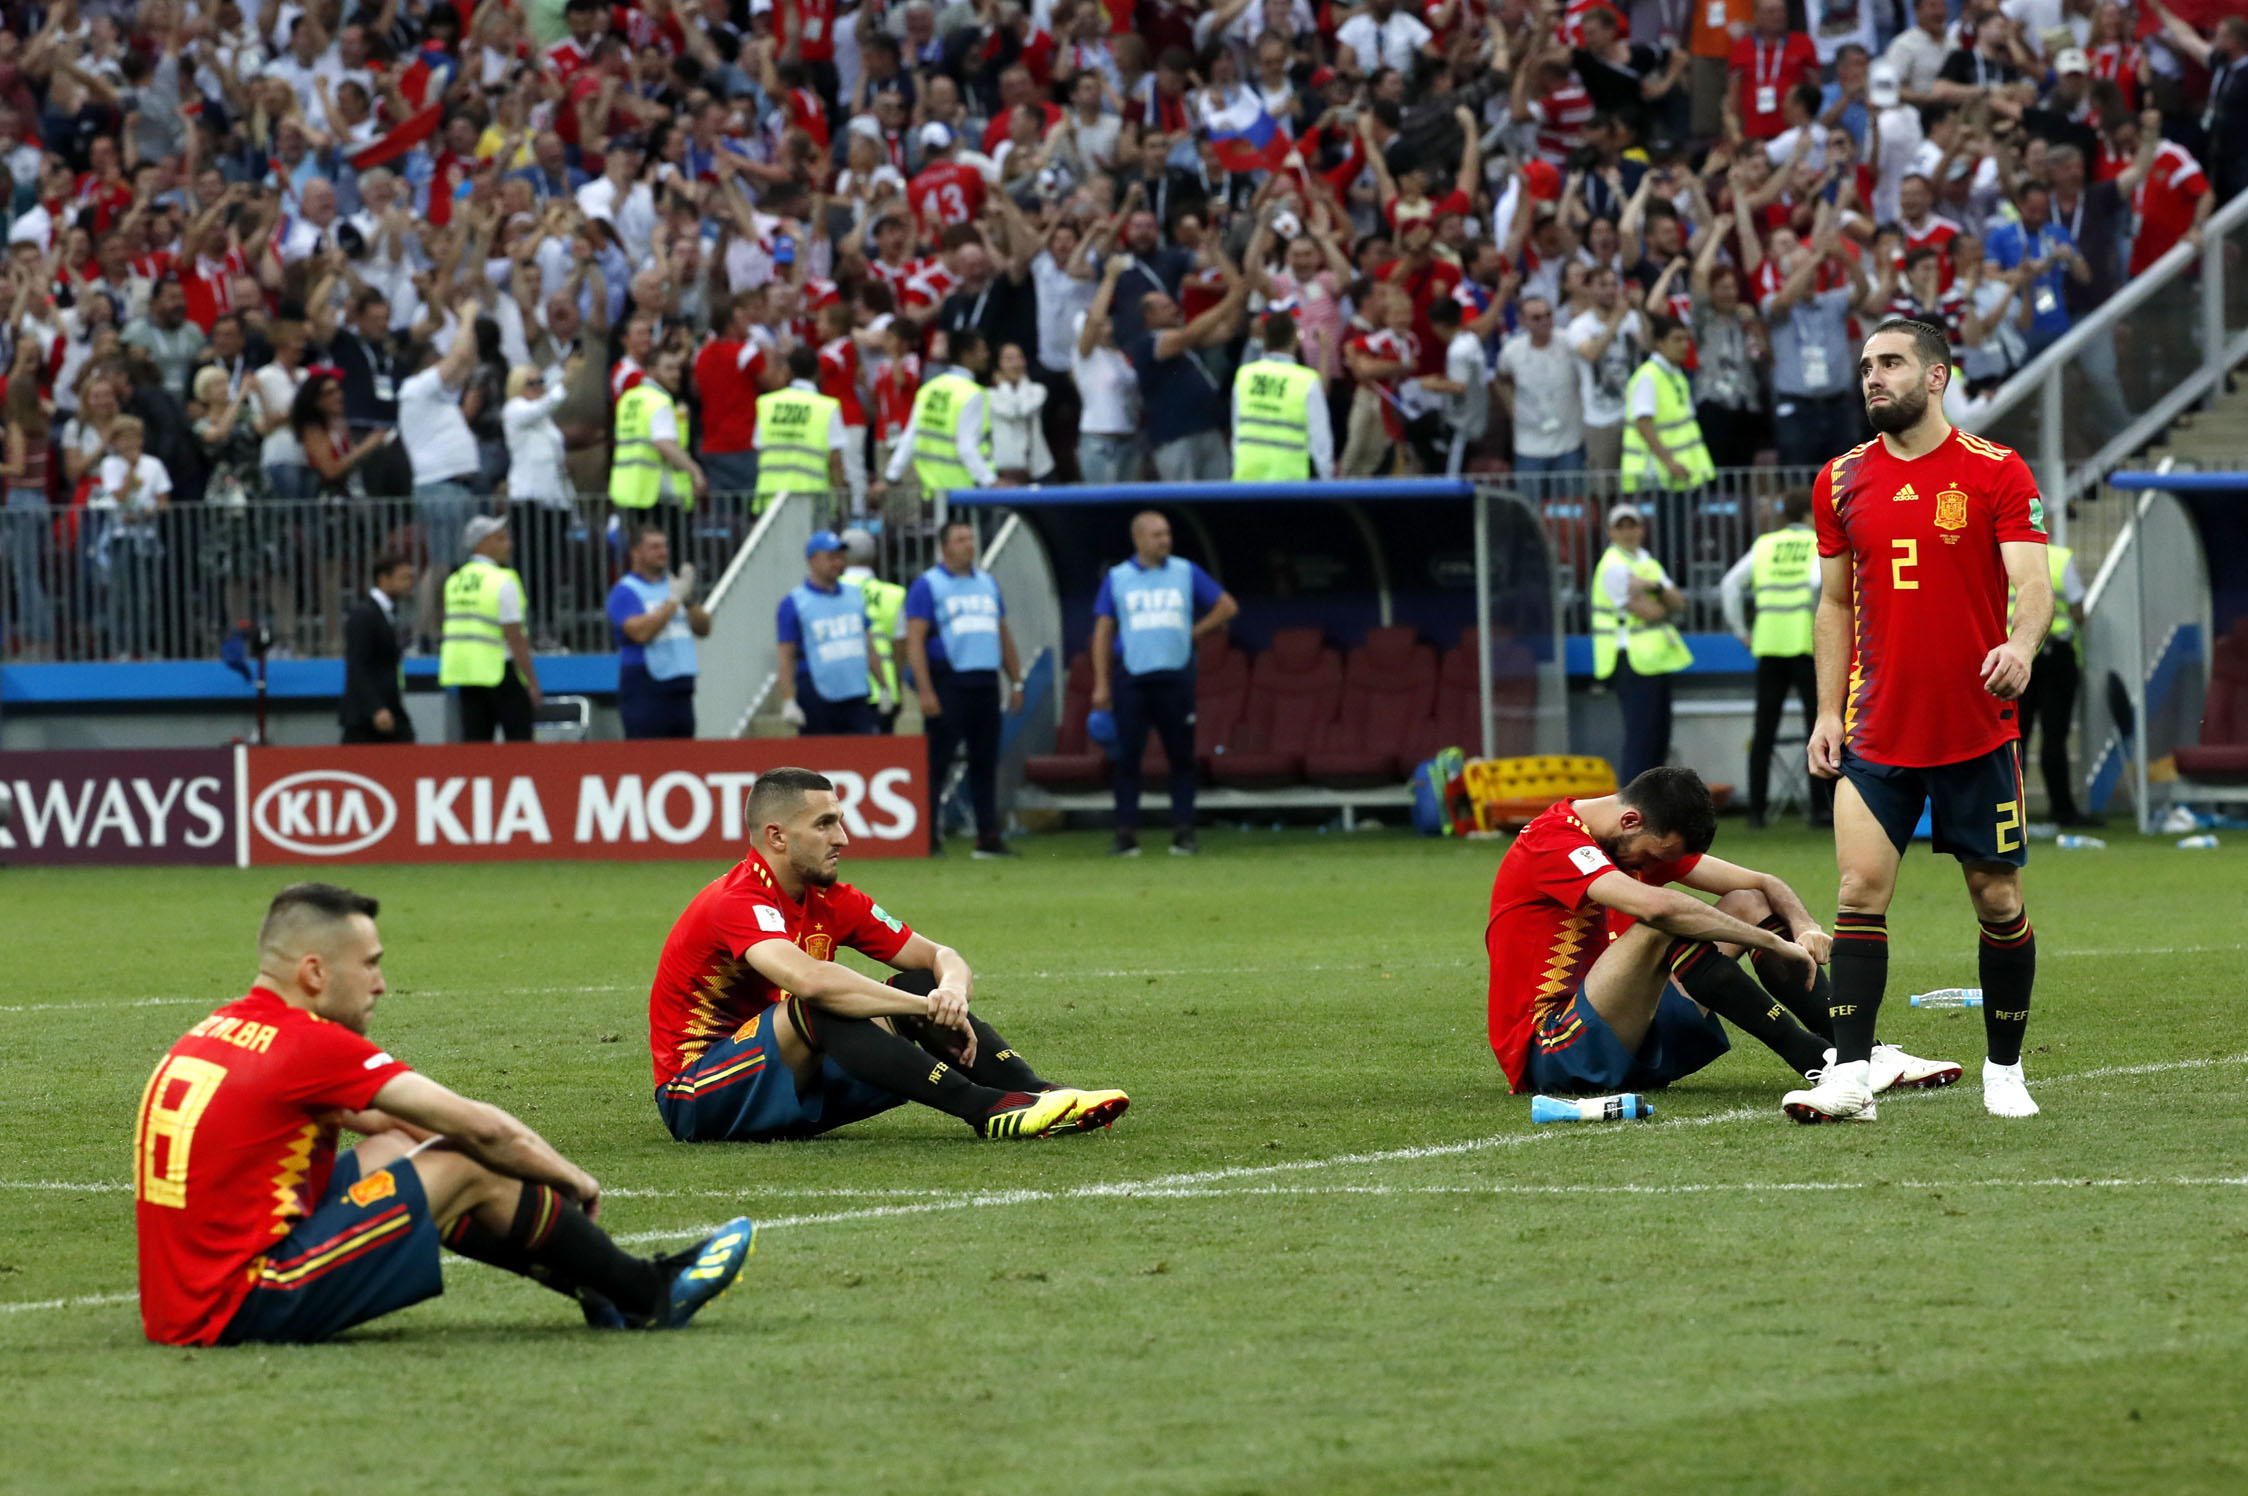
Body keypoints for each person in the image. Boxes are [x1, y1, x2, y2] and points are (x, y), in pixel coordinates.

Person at [134, 881, 753, 1346]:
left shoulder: (219, 1028)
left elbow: (396, 1126)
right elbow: (477, 1126)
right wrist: (572, 1181)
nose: (380, 983)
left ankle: (601, 1284)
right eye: (370, 963)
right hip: (239, 1306)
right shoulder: (308, 1043)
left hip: (182, 1301)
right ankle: (648, 1292)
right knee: (462, 1161)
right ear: (315, 971)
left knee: (402, 1149)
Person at [1785, 318, 2054, 1124]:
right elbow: (1834, 604)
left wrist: (2021, 643)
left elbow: (2032, 583)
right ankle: (1852, 1076)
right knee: (1859, 890)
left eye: (1892, 363)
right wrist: (1828, 711)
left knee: (1996, 897)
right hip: (1876, 728)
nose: (1873, 376)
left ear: (1936, 377)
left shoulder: (1996, 470)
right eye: (1866, 364)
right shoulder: (1838, 480)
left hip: (1975, 724)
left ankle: (2003, 1070)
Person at [646, 768, 1128, 1142]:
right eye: (825, 824)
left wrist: (949, 994)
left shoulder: (830, 899)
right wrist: (924, 1009)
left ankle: (1042, 1095)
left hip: (786, 1079)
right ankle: (990, 1108)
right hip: (698, 1094)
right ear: (776, 837)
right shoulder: (738, 899)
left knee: (920, 979)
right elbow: (811, 983)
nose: (843, 838)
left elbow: (942, 956)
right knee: (823, 1003)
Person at [1483, 766, 1957, 1096]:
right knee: (1662, 921)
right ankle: (1816, 1060)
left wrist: (1804, 927)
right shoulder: (1551, 840)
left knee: (1748, 904)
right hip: (1553, 1049)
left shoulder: (1634, 840)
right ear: (1631, 820)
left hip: (1630, 1027)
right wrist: (1773, 943)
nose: (1651, 868)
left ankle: (1861, 1054)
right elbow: (1660, 908)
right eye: (1652, 858)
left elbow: (1763, 884)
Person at [1089, 510, 1239, 857]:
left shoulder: (1185, 572)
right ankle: (1126, 834)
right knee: (1127, 759)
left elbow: (1226, 606)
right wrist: (1101, 683)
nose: (1165, 541)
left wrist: (1194, 632)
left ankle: (1184, 832)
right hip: (1133, 678)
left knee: (1181, 758)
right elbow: (1102, 631)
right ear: (1139, 539)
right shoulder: (1118, 578)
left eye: (1167, 534)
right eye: (1157, 535)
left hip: (1176, 678)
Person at [907, 519, 1024, 858]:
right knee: (938, 763)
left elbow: (1002, 633)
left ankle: (988, 837)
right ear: (944, 547)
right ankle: (928, 837)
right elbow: (915, 640)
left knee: (985, 762)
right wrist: (926, 690)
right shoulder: (929, 585)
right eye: (960, 540)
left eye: (971, 538)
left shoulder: (987, 583)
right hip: (949, 681)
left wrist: (1014, 680)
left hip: (985, 681)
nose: (969, 545)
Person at [1719, 493, 1833, 829]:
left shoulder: (1765, 545)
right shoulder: (1817, 542)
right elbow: (1816, 582)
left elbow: (1729, 585)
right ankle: (1820, 810)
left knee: (1763, 732)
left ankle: (1756, 812)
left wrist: (1742, 630)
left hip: (1768, 646)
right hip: (1806, 646)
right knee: (1821, 727)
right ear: (1810, 516)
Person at [399, 304, 490, 646]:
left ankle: (431, 629)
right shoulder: (417, 388)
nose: (444, 362)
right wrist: (466, 317)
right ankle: (425, 631)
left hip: (453, 486)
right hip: (441, 487)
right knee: (440, 563)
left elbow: (466, 360)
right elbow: (461, 355)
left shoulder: (436, 394)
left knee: (447, 563)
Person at [1591, 503, 1692, 785]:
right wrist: (1660, 595)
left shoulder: (1645, 561)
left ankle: (1652, 809)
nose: (1627, 532)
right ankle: (1631, 808)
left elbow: (1678, 603)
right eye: (1620, 527)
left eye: (1632, 525)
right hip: (1631, 661)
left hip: (1655, 659)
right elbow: (1653, 611)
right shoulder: (1612, 567)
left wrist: (1651, 588)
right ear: (1610, 532)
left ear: (1641, 529)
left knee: (1658, 738)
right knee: (1640, 740)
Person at [439, 515, 543, 743]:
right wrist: (532, 683)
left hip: (466, 675)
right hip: (499, 671)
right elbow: (515, 637)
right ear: (483, 543)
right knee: (520, 745)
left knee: (475, 748)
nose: (509, 545)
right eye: (501, 539)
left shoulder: (454, 581)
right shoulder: (502, 581)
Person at [775, 530, 884, 735]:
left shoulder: (855, 595)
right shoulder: (794, 603)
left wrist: (883, 685)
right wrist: (788, 699)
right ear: (812, 560)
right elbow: (785, 654)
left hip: (857, 693)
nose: (838, 563)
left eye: (841, 557)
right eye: (831, 557)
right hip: (817, 694)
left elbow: (868, 645)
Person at [607, 525, 710, 740]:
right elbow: (642, 633)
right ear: (636, 552)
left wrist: (688, 599)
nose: (662, 552)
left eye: (664, 546)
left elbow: (704, 628)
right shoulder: (625, 591)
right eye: (654, 547)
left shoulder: (673, 585)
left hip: (681, 688)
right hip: (646, 687)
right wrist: (673, 601)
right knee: (647, 759)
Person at [2015, 538, 2091, 827]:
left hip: (2013, 655)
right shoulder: (2059, 558)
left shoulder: (2002, 556)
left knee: (2014, 738)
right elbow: (2078, 610)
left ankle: (2010, 812)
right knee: (2054, 737)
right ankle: (2062, 810)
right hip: (2055, 656)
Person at [610, 345, 705, 561]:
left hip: (630, 492)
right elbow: (664, 444)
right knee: (673, 563)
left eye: (678, 369)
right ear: (651, 370)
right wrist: (695, 472)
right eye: (669, 369)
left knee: (640, 561)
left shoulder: (628, 400)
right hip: (659, 495)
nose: (676, 375)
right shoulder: (659, 402)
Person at [882, 330, 997, 499]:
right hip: (965, 492)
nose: (987, 355)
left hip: (932, 493)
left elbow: (910, 437)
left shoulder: (929, 389)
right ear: (966, 355)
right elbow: (966, 447)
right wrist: (990, 482)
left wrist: (892, 474)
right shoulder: (972, 393)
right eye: (982, 350)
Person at [1619, 316, 1714, 505]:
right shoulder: (1648, 376)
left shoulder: (1677, 375)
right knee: (1666, 531)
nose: (1684, 345)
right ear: (1660, 343)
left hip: (1683, 473)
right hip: (1659, 474)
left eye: (1686, 339)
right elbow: (1643, 424)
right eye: (1677, 339)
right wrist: (1668, 462)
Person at [1494, 296, 1586, 490]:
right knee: (1529, 510)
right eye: (1536, 318)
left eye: (1548, 315)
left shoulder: (1569, 342)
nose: (1544, 321)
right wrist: (1512, 409)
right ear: (1522, 321)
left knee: (1570, 511)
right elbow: (1500, 379)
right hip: (1529, 446)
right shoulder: (1512, 351)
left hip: (1569, 443)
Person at [1229, 311, 1332, 481]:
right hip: (1290, 480)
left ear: (1264, 337)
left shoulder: (1245, 376)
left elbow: (1236, 431)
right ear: (1295, 337)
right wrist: (1326, 480)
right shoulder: (1307, 380)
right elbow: (1320, 441)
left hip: (1247, 478)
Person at [752, 346, 847, 509]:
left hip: (770, 499)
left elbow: (759, 449)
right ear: (818, 372)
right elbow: (835, 460)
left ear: (788, 371)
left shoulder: (767, 404)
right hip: (812, 500)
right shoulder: (827, 407)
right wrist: (840, 499)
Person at [340, 553, 416, 744]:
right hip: (368, 717)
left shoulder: (386, 613)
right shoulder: (364, 615)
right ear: (384, 578)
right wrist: (375, 708)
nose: (410, 583)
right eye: (404, 578)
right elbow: (357, 666)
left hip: (388, 710)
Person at [842, 527, 907, 732]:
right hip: (884, 690)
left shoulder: (833, 592)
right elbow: (899, 648)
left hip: (843, 689)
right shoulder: (893, 594)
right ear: (874, 557)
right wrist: (896, 687)